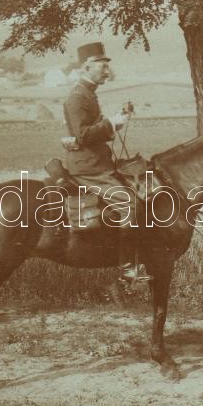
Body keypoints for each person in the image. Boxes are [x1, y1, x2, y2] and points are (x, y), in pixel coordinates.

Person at [62, 41, 148, 282]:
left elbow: (89, 132)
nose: (107, 71)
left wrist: (116, 122)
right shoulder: (78, 97)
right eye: (102, 66)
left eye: (106, 66)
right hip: (88, 168)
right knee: (130, 204)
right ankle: (127, 269)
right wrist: (112, 122)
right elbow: (83, 135)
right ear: (87, 67)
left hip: (97, 163)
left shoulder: (88, 94)